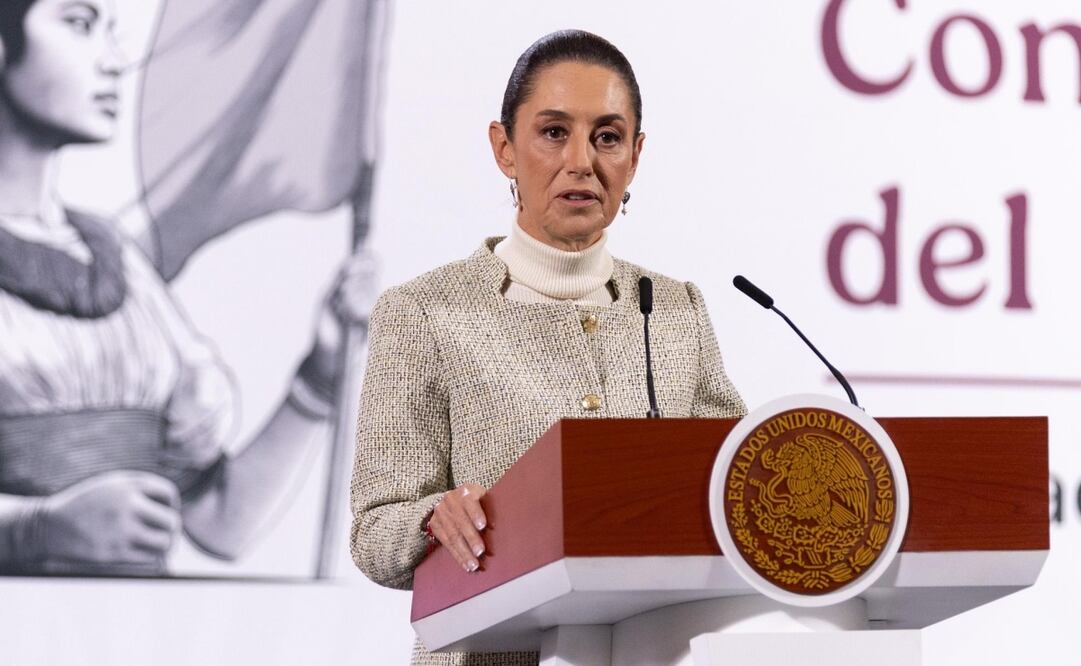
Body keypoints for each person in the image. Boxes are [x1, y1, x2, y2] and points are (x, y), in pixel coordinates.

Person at [350, 29, 747, 666]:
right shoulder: (422, 313)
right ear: (504, 148)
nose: (582, 161)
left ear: (635, 156)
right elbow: (373, 533)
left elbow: (736, 485)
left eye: (608, 136)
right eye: (554, 132)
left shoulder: (676, 312)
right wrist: (434, 518)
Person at [0, 0, 371, 575]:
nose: (114, 61)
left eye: (111, 31)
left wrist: (321, 373)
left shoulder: (120, 262)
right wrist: (37, 528)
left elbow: (221, 523)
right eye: (78, 23)